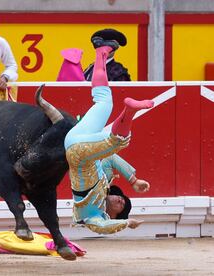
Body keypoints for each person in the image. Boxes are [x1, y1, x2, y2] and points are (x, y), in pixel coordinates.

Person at [64, 35, 154, 234]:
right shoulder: (105, 181)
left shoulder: (92, 216)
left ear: (114, 215)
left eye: (122, 206)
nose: (121, 200)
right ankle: (101, 53)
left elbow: (104, 228)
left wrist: (127, 223)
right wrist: (133, 180)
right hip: (74, 139)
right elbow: (110, 158)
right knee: (104, 101)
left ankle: (130, 110)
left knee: (118, 142)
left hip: (78, 153)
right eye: (124, 200)